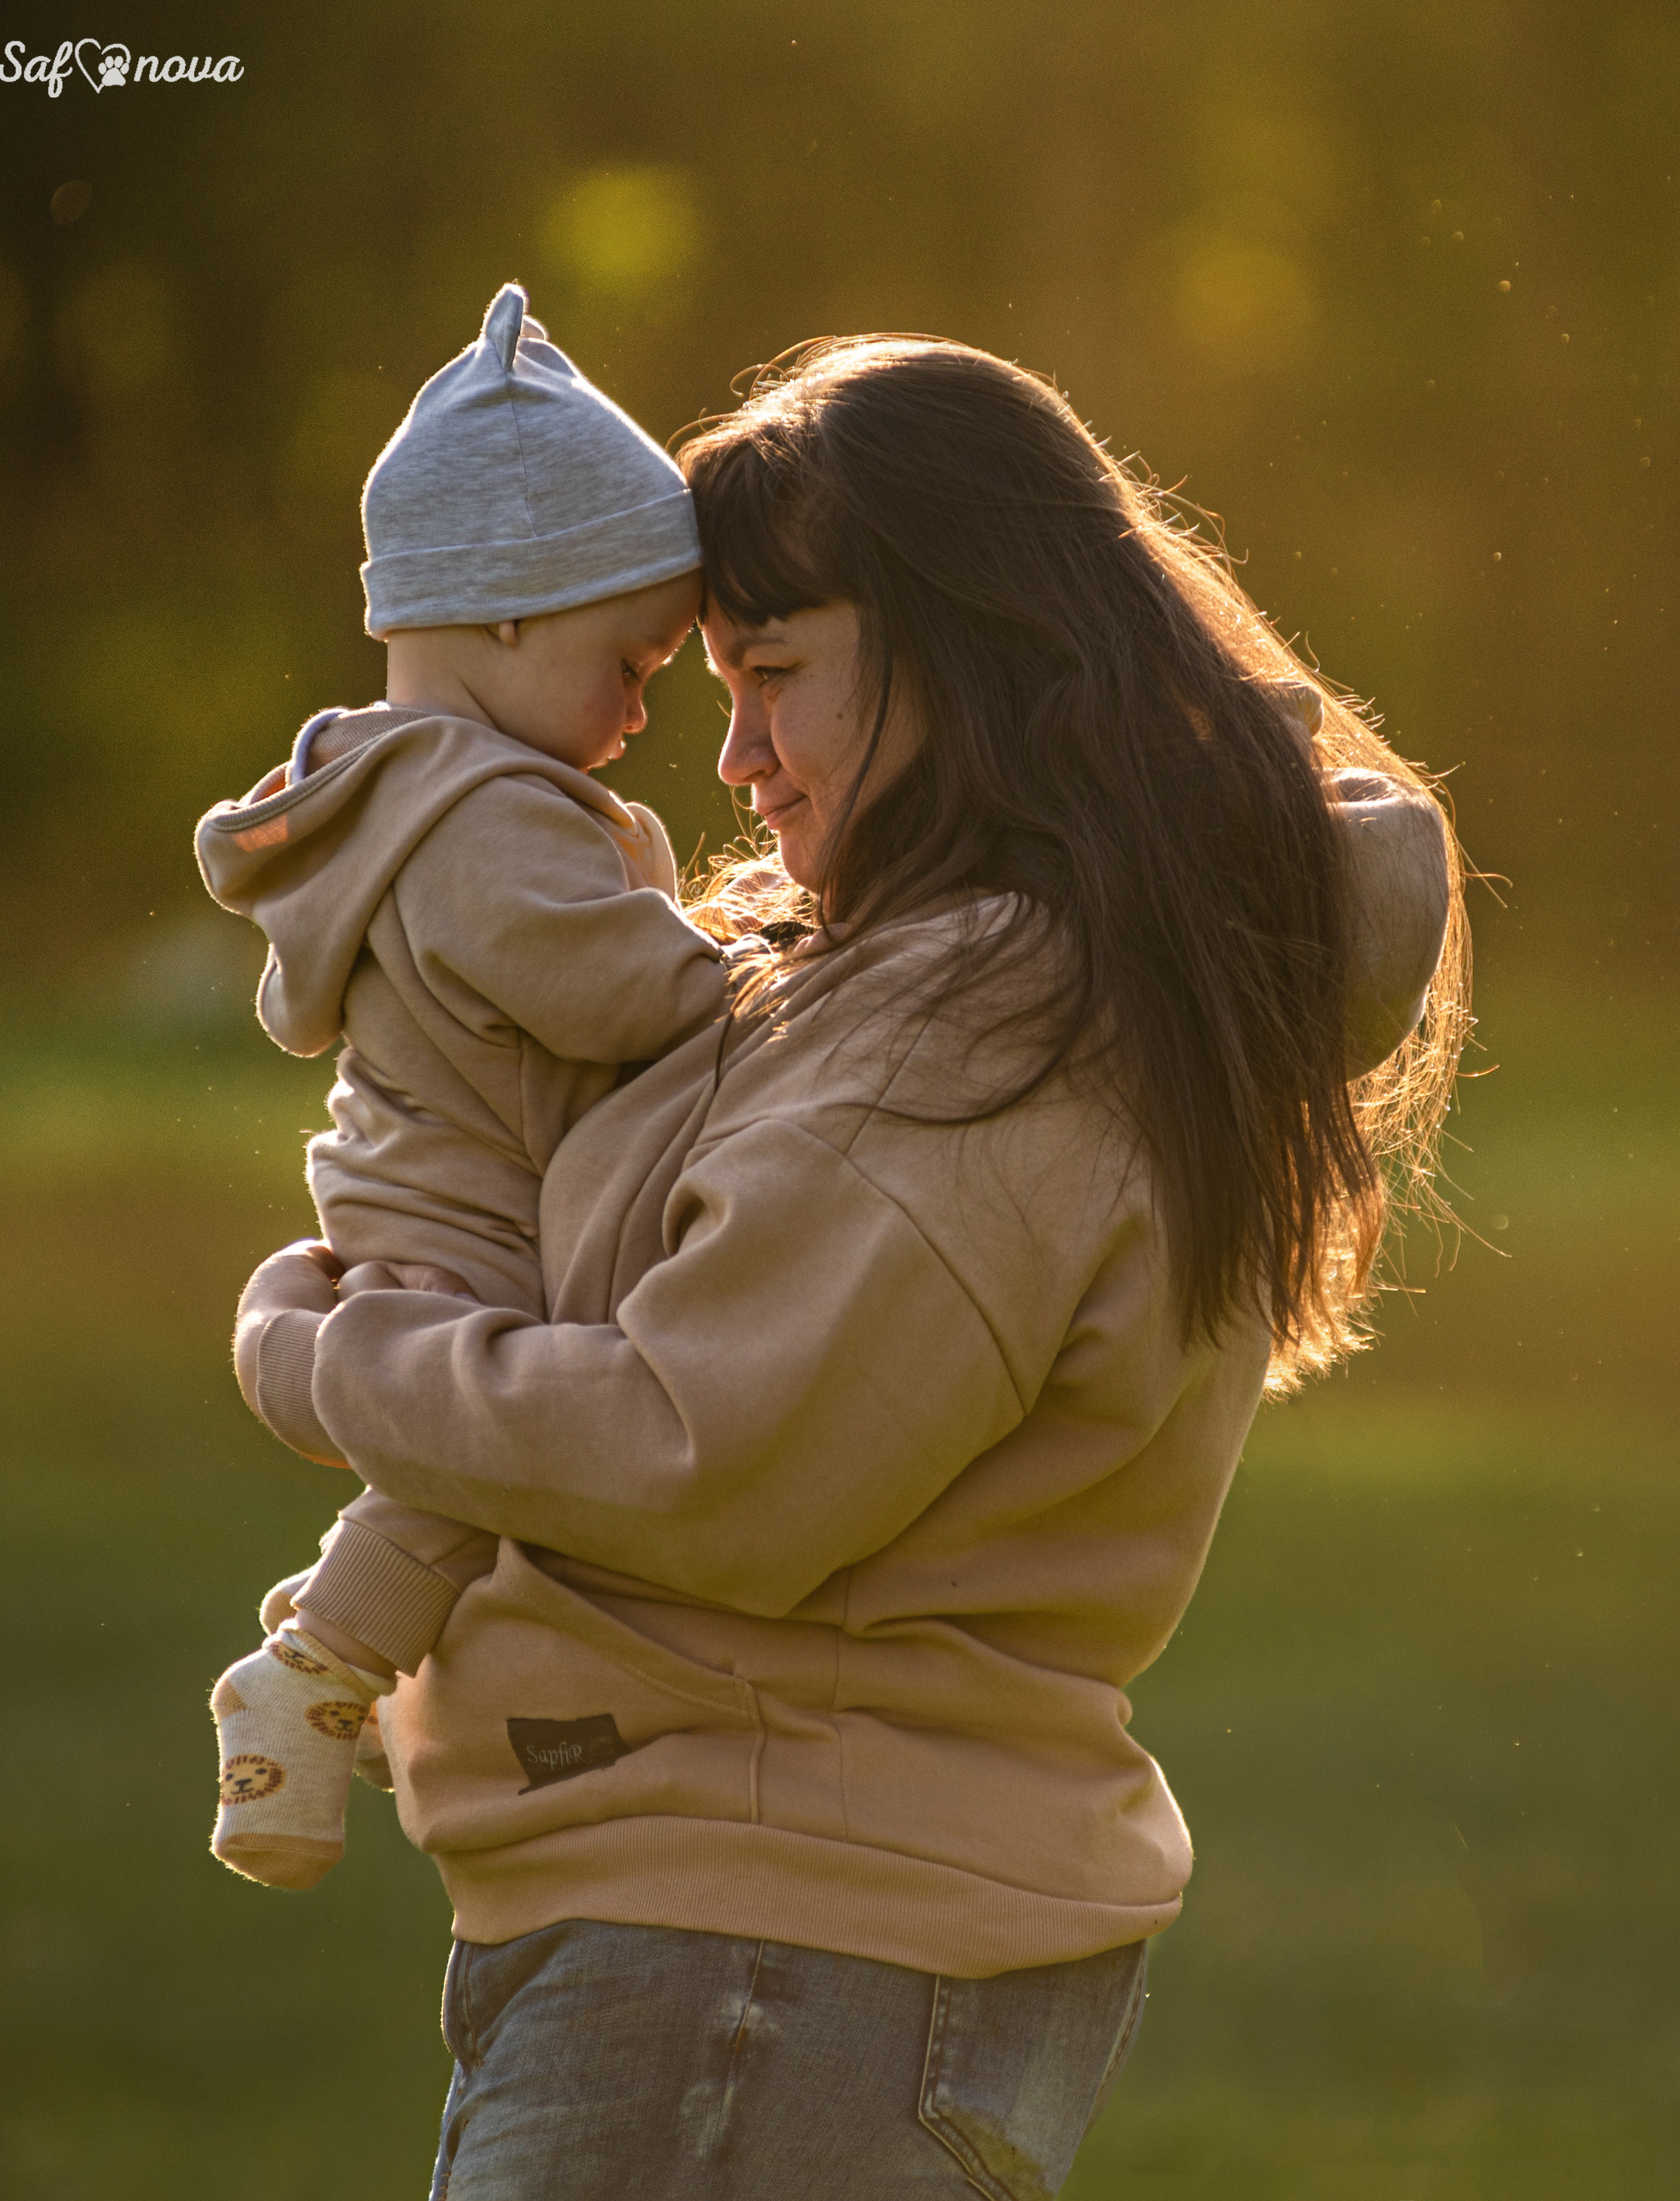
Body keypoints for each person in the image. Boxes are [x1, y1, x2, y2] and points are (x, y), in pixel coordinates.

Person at [231, 336, 1461, 2198]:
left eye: (771, 678)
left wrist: (324, 1348)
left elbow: (697, 1452)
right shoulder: (935, 973)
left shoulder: (979, 1026)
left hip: (764, 1954)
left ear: (964, 659)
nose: (732, 758)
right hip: (748, 1948)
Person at [195, 282, 727, 1889]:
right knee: (473, 1452)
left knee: (453, 1463)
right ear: (507, 613)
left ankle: (334, 1654)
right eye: (628, 664)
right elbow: (611, 986)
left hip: (405, 1181)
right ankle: (306, 1681)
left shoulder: (387, 787)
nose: (643, 710)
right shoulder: (489, 819)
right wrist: (748, 974)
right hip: (461, 1213)